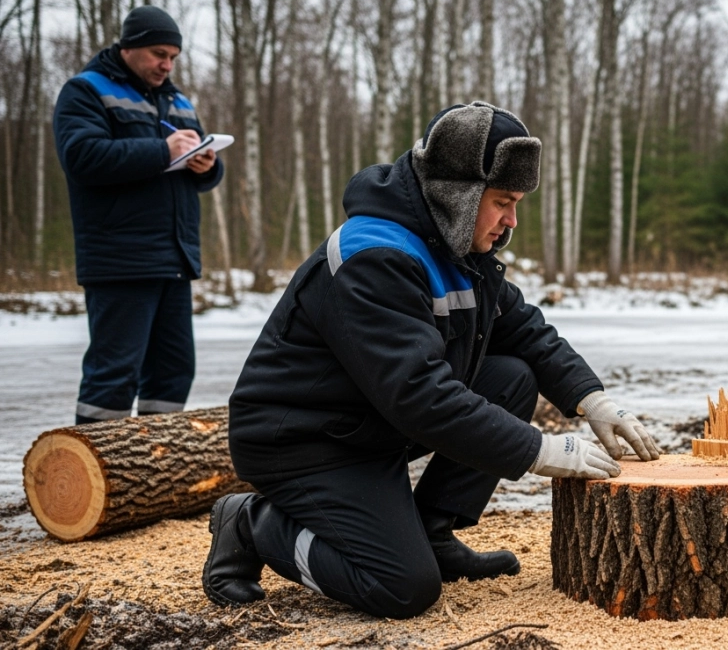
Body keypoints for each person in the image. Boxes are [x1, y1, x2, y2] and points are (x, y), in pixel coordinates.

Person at [202, 102, 661, 618]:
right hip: (308, 442)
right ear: (458, 196)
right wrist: (538, 450)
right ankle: (255, 524)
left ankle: (432, 532)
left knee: (510, 378)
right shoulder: (373, 257)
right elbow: (421, 396)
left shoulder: (454, 245)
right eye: (503, 202)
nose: (511, 220)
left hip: (368, 422)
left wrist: (592, 399)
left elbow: (523, 328)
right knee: (401, 587)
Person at [53, 5, 224, 424]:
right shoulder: (85, 91)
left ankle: (151, 472)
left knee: (173, 373)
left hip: (175, 258)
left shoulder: (178, 100)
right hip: (120, 260)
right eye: (158, 54)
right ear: (129, 47)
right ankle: (95, 476)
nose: (167, 65)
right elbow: (82, 157)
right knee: (114, 375)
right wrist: (162, 150)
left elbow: (198, 171)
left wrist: (208, 166)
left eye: (173, 57)